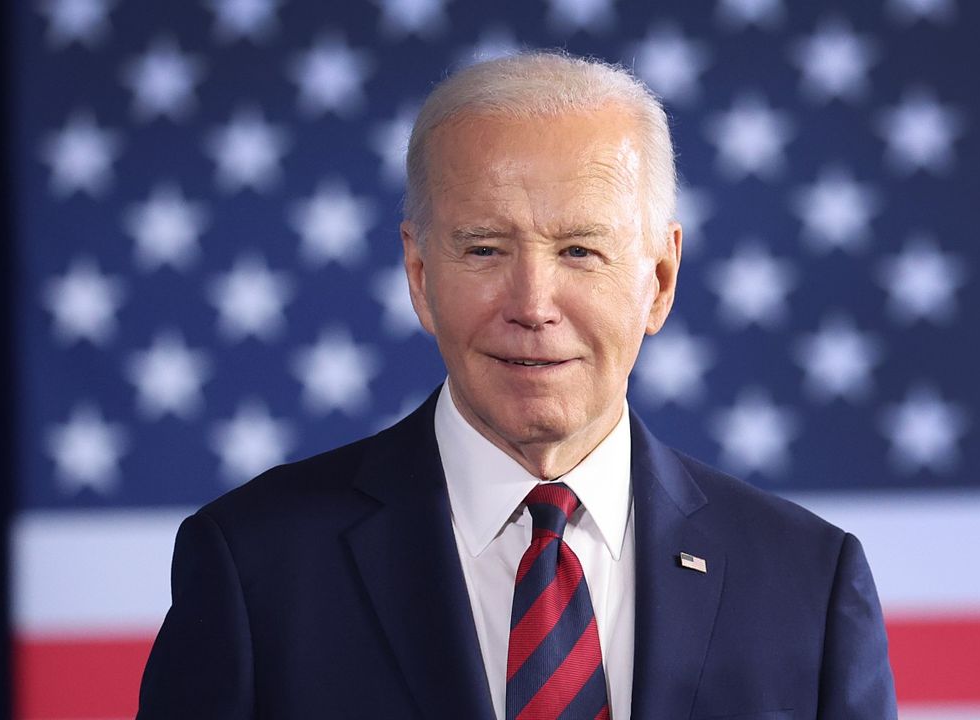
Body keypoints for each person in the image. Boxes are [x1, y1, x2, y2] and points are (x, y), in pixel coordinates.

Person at [137, 51, 897, 720]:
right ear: (420, 274)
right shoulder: (255, 567)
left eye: (579, 250)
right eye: (485, 248)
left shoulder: (808, 582)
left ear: (659, 282)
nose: (532, 304)